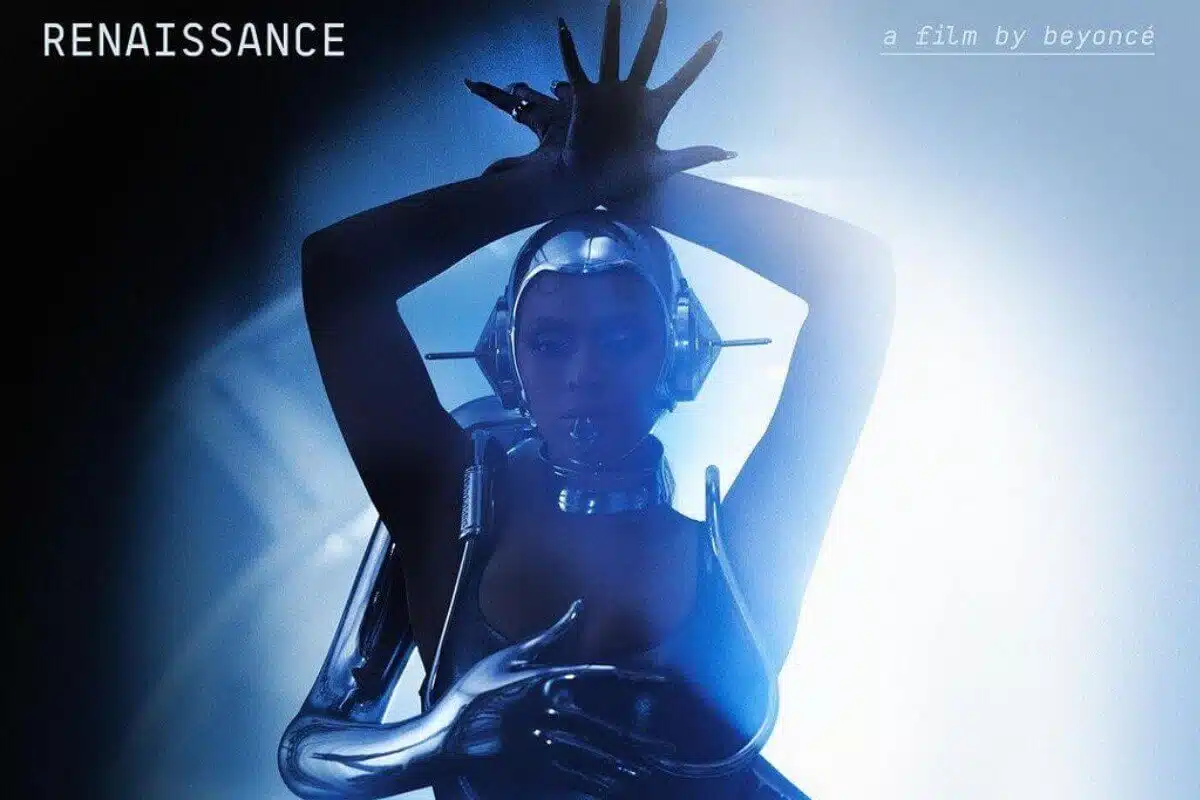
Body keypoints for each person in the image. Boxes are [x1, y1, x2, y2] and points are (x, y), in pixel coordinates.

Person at [278, 1, 894, 797]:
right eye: (550, 341)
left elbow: (857, 281)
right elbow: (338, 276)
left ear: (677, 353)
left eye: (624, 337)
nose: (585, 371)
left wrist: (633, 186)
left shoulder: (743, 554)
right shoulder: (446, 523)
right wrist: (440, 737)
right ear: (508, 356)